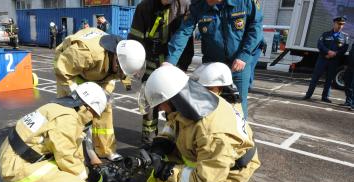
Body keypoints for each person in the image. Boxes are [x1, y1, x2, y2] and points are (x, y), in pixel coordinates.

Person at [138, 65, 260, 182]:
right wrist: (162, 143)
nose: (159, 108)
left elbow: (204, 180)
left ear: (174, 99)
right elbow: (173, 124)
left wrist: (167, 171)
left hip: (230, 171)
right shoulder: (191, 104)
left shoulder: (213, 134)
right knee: (163, 158)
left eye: (161, 104)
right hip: (209, 157)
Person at [0, 82, 108, 182]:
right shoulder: (67, 120)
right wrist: (85, 178)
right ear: (87, 107)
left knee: (73, 175)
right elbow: (67, 158)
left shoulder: (58, 108)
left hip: (14, 158)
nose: (92, 119)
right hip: (16, 168)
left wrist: (85, 169)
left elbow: (71, 148)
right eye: (94, 114)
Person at [54, 27, 146, 164]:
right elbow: (62, 69)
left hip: (99, 73)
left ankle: (106, 149)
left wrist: (105, 95)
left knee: (105, 107)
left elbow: (115, 77)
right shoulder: (87, 53)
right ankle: (69, 153)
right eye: (121, 71)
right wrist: (76, 96)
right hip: (71, 71)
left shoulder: (124, 56)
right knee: (72, 113)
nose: (123, 75)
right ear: (116, 60)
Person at [165, 0, 263, 118]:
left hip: (238, 64)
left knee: (238, 108)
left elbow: (255, 28)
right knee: (209, 108)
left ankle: (240, 135)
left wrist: (244, 56)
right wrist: (169, 62)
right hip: (212, 66)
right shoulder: (198, 5)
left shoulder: (245, 2)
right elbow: (184, 32)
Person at [128, 0, 194, 147]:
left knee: (176, 107)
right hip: (151, 65)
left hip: (173, 67)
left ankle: (177, 142)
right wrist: (135, 64)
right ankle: (149, 142)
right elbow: (135, 38)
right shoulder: (144, 7)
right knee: (149, 108)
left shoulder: (184, 6)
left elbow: (187, 41)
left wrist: (183, 67)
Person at [303, 16, 349, 103]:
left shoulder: (345, 37)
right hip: (323, 59)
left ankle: (325, 97)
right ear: (334, 23)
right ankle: (308, 94)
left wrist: (334, 54)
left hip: (334, 61)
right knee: (315, 78)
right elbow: (320, 45)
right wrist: (328, 52)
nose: (340, 26)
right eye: (339, 24)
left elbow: (344, 49)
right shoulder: (325, 34)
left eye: (342, 25)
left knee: (329, 79)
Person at [343, 44, 354, 111]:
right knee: (347, 84)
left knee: (353, 86)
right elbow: (350, 55)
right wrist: (346, 64)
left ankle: (353, 104)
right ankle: (348, 101)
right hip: (350, 67)